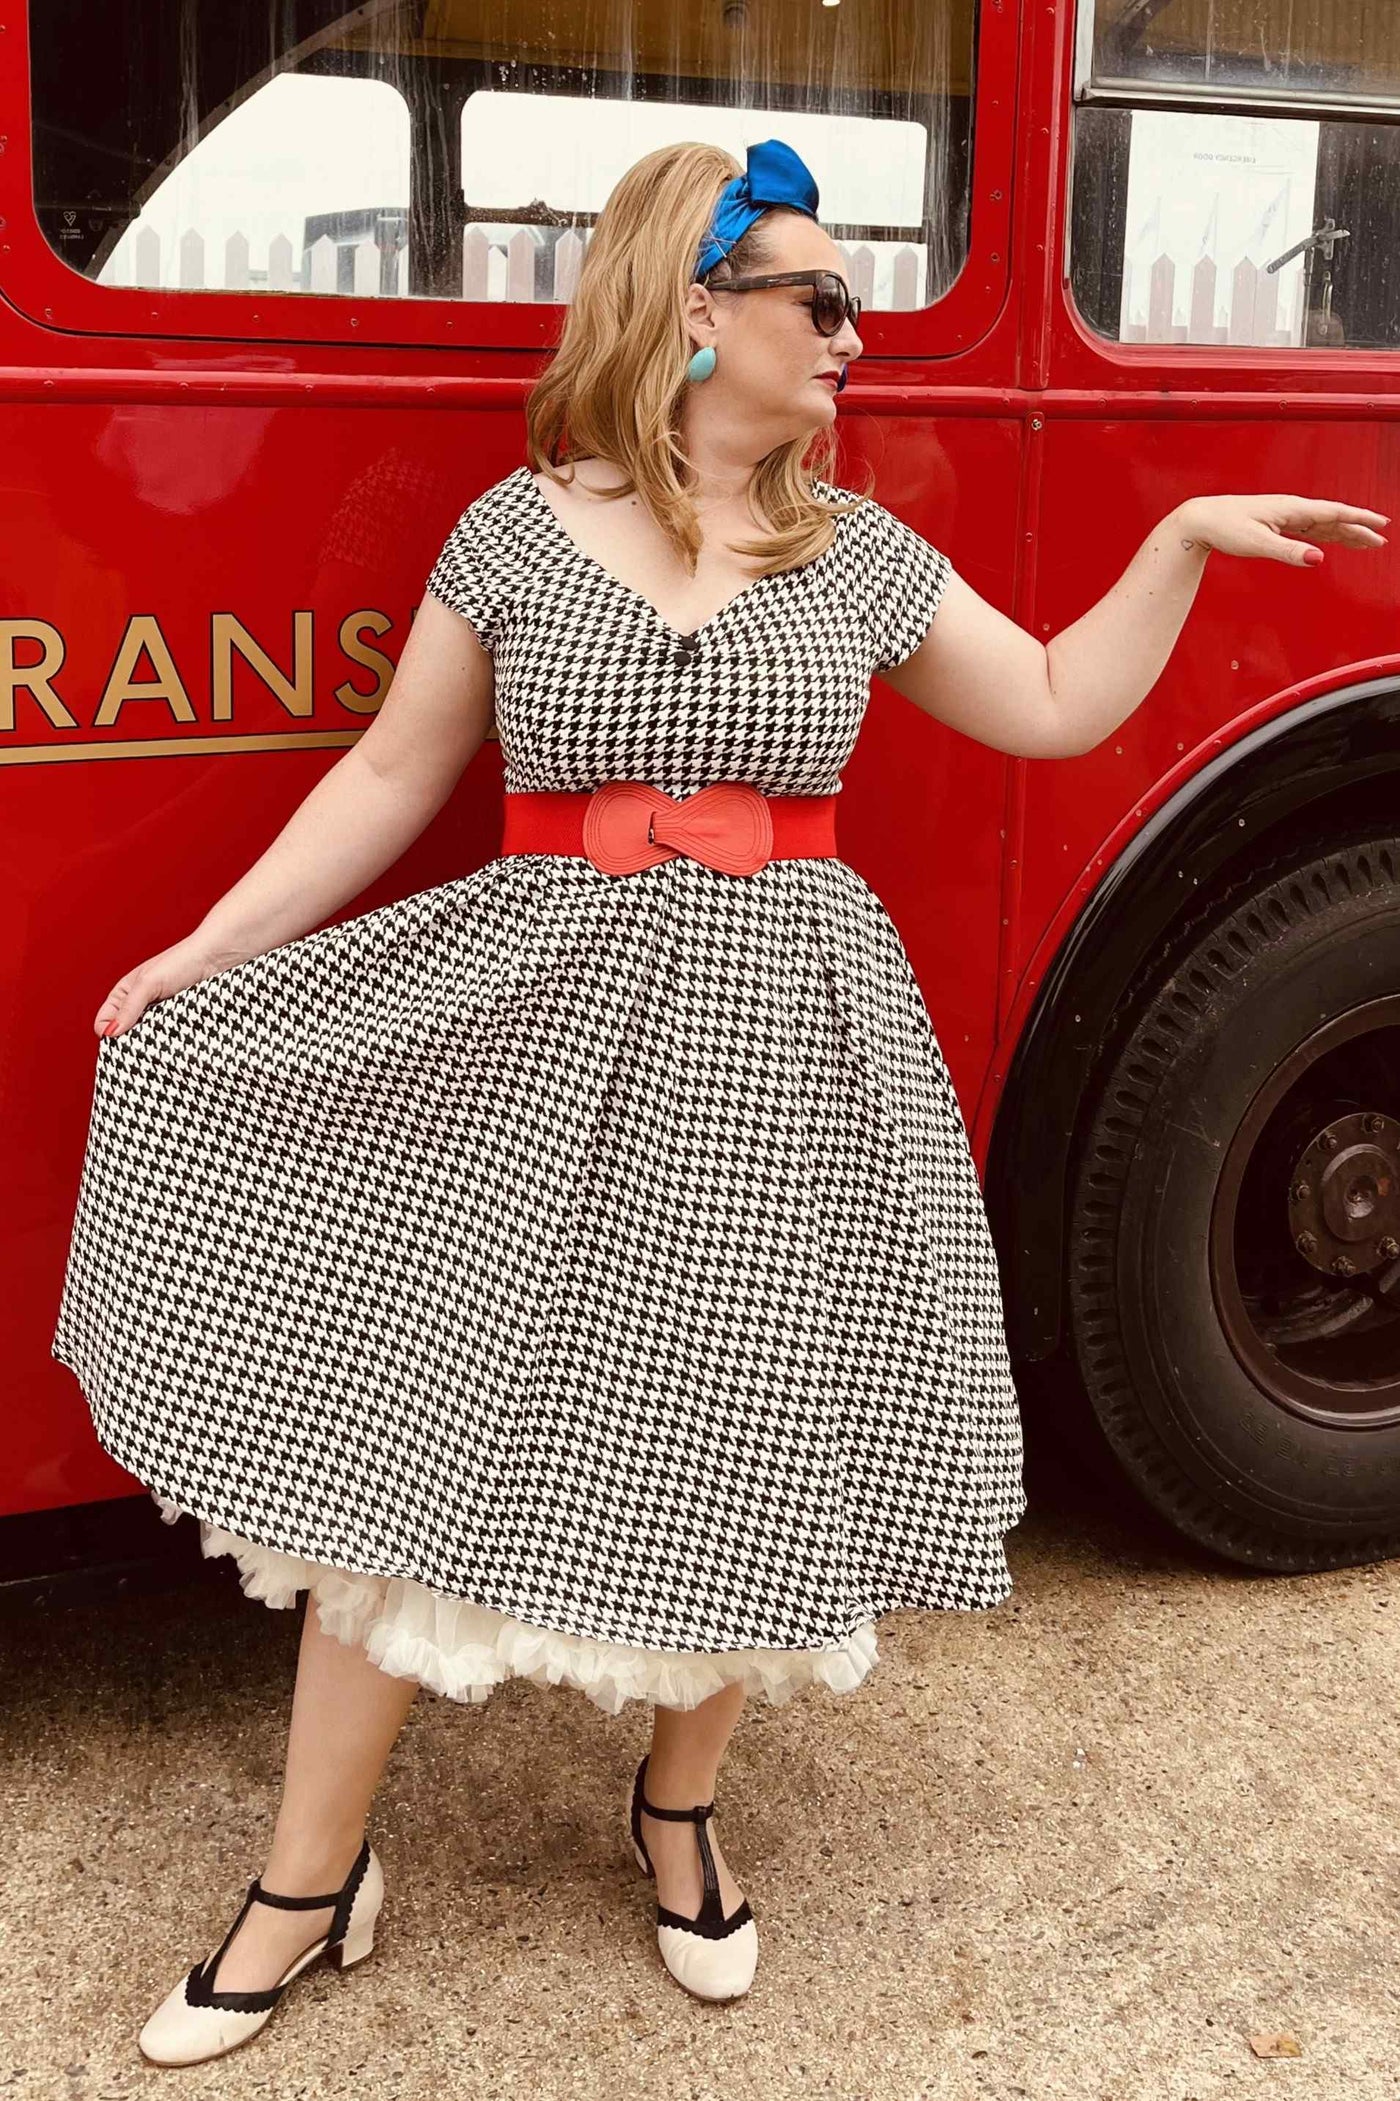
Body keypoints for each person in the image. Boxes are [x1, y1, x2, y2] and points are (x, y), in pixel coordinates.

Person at [50, 134, 1387, 2067]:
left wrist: (1174, 540)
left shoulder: (855, 550)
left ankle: (677, 1813)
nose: (857, 337)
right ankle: (306, 1874)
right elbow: (382, 779)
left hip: (786, 1040)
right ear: (696, 312)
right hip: (531, 1020)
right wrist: (205, 947)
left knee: (761, 1426)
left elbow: (1051, 704)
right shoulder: (518, 532)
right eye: (822, 302)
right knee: (410, 1422)